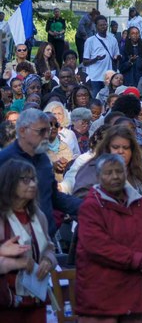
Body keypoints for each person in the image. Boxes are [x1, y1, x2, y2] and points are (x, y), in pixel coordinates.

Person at [75, 154, 142, 323]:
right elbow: (99, 247)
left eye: (119, 171)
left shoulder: (138, 203)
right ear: (98, 177)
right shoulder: (91, 206)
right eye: (108, 173)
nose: (115, 176)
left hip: (134, 290)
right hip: (101, 293)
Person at [0, 109, 81, 235]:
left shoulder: (43, 158)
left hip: (45, 239)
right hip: (15, 242)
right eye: (41, 131)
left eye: (48, 130)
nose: (46, 136)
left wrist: (88, 207)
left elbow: (53, 196)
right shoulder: (5, 159)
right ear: (22, 131)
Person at [0, 159, 57, 323]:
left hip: (36, 298)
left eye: (34, 179)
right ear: (9, 183)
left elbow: (50, 248)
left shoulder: (38, 215)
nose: (32, 184)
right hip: (7, 300)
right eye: (25, 180)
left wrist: (48, 260)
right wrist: (17, 263)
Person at [82, 15, 121, 98]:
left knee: (108, 99)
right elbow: (85, 62)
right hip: (95, 77)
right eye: (101, 25)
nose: (103, 27)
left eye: (105, 25)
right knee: (95, 99)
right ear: (96, 27)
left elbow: (116, 55)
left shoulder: (113, 39)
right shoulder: (90, 41)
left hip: (108, 78)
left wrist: (117, 58)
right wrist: (96, 59)